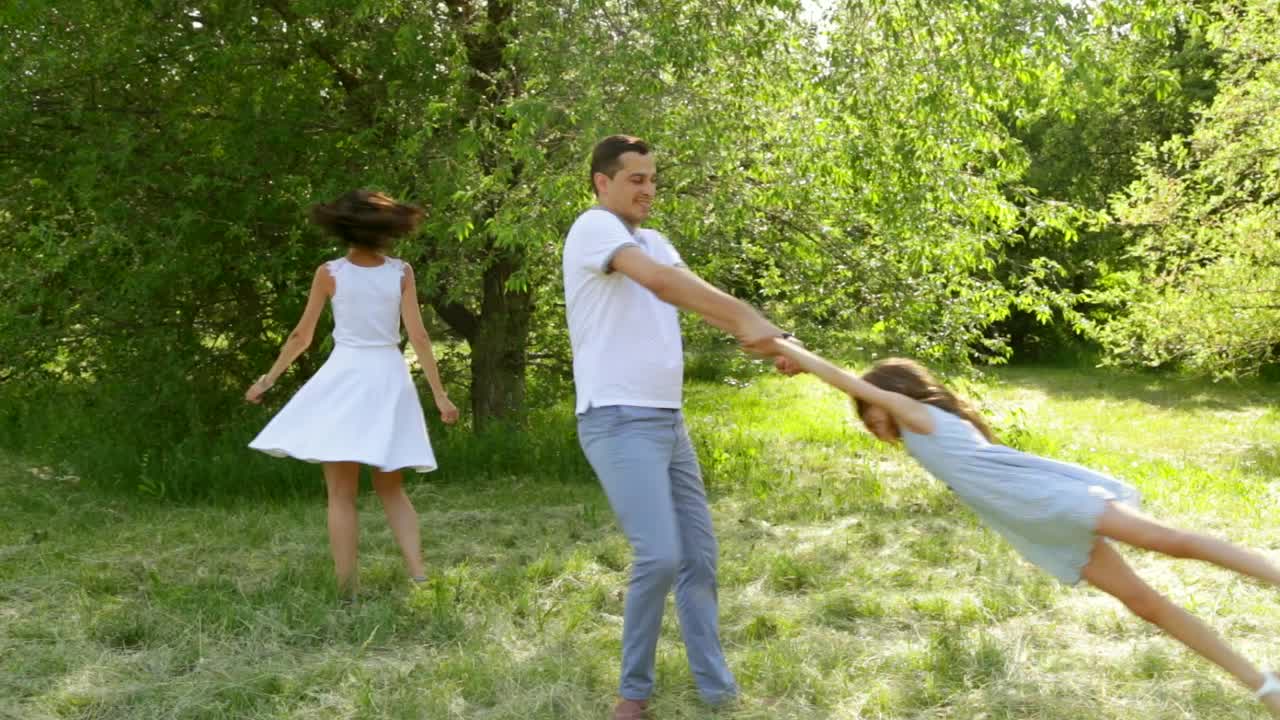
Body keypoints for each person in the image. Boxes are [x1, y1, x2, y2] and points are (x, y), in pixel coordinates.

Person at [760, 338, 1280, 717]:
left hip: (1051, 501)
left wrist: (789, 349)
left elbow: (843, 378)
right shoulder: (924, 431)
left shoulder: (922, 417)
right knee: (1146, 605)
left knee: (1174, 543)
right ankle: (1264, 686)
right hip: (1038, 524)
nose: (868, 419)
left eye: (868, 407)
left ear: (896, 396)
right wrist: (795, 353)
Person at [563, 135, 795, 719]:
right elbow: (660, 284)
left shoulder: (658, 240)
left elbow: (698, 296)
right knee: (660, 557)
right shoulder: (593, 228)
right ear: (602, 183)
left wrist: (769, 342)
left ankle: (716, 692)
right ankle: (632, 696)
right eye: (635, 178)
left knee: (699, 558)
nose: (647, 188)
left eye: (651, 178)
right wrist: (750, 319)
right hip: (616, 418)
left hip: (667, 421)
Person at [245, 190, 459, 600]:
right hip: (387, 378)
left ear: (341, 227)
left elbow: (300, 336)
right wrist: (440, 396)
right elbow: (418, 335)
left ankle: (347, 590)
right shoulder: (400, 272)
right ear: (385, 230)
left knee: (340, 495)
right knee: (390, 488)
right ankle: (419, 577)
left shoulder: (330, 272)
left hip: (344, 378)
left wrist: (267, 380)